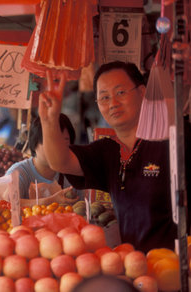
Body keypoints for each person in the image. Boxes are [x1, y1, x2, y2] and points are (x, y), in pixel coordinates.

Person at [38, 62, 190, 253]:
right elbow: (60, 162)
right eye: (104, 97)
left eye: (120, 93)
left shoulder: (176, 138)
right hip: (138, 270)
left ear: (142, 92)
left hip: (179, 269)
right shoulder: (107, 151)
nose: (113, 103)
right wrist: (49, 121)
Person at [5, 113, 80, 204]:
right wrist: (51, 201)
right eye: (51, 142)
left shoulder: (74, 172)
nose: (58, 148)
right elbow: (7, 204)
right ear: (35, 143)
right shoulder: (18, 173)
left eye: (65, 141)